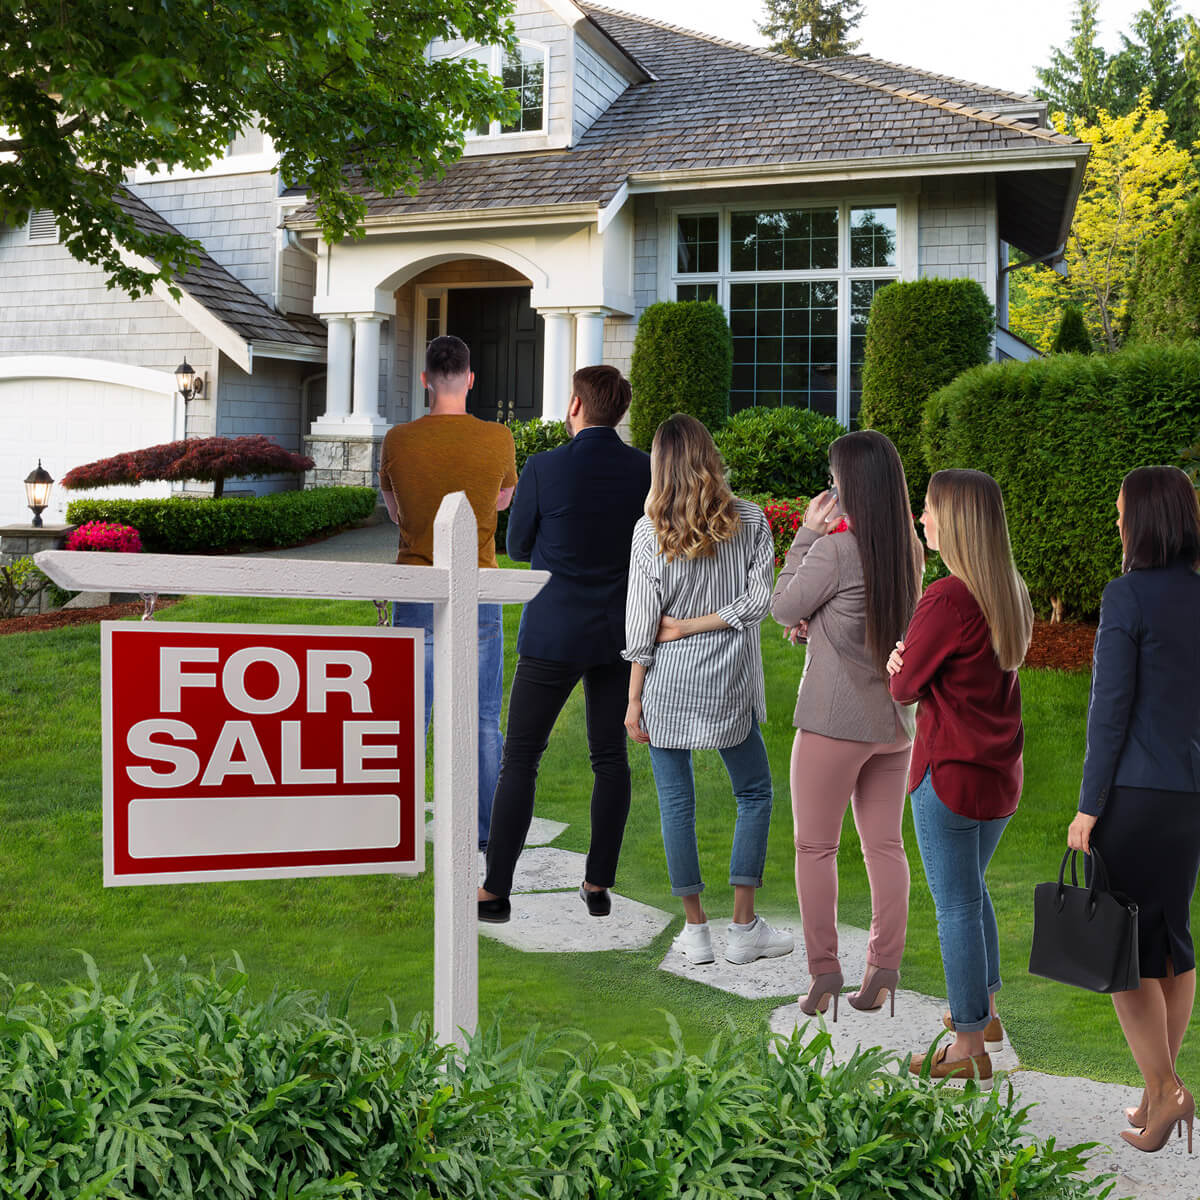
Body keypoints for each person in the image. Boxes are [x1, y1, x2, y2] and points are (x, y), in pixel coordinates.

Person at [477, 365, 651, 924]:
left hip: (553, 631)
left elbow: (520, 546)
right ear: (618, 412)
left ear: (575, 405)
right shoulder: (645, 469)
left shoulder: (544, 467)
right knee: (609, 758)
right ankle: (598, 884)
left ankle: (496, 891)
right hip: (618, 630)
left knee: (521, 758)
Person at [623, 413, 793, 966]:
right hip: (728, 682)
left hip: (667, 686)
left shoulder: (649, 531)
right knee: (755, 791)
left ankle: (696, 933)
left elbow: (643, 624)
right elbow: (756, 603)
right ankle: (742, 929)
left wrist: (633, 698)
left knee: (677, 802)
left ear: (660, 465)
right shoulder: (750, 519)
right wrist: (707, 622)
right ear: (710, 455)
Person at [1066, 465, 1200, 1154]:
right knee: (1173, 947)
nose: (1116, 521)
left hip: (1135, 801)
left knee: (1124, 957)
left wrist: (1089, 809)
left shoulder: (1127, 597)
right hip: (1189, 802)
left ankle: (1169, 1091)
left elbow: (1109, 712)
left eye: (1120, 512)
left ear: (1143, 521)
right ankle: (1158, 1094)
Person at [770, 430, 924, 1022]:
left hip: (833, 722)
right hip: (892, 722)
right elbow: (867, 617)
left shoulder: (834, 549)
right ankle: (883, 969)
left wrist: (805, 534)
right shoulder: (907, 548)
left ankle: (824, 975)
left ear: (848, 485)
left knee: (816, 847)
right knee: (885, 846)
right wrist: (821, 619)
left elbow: (783, 606)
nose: (830, 490)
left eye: (834, 481)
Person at [886, 469, 1032, 1089]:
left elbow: (902, 684)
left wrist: (899, 657)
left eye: (929, 509)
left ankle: (968, 1044)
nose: (922, 518)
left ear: (957, 520)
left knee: (954, 907)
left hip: (947, 776)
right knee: (971, 893)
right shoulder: (1011, 590)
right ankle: (987, 1015)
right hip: (999, 779)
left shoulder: (947, 598)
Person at [378, 334, 517, 851]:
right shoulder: (498, 438)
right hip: (478, 587)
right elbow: (501, 502)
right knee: (482, 716)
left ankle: (400, 828)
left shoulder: (398, 440)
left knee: (410, 715)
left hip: (415, 587)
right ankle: (483, 834)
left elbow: (395, 512)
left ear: (425, 381)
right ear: (470, 379)